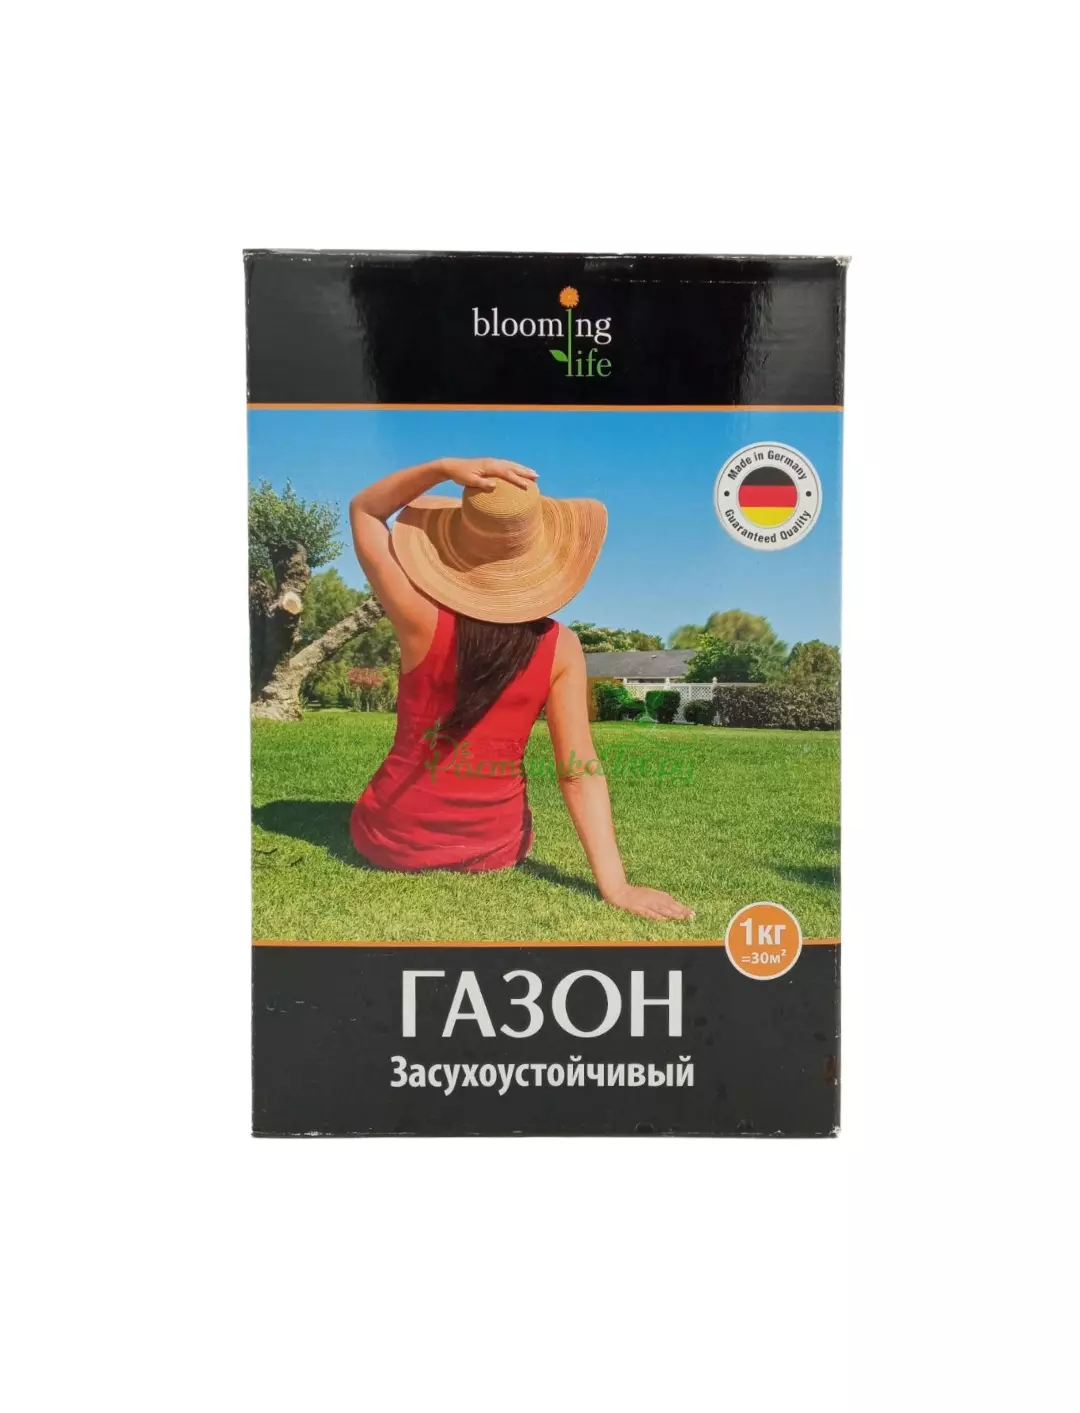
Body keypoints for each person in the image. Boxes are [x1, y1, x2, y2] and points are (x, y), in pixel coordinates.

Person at [348, 456, 693, 922]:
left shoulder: (417, 616)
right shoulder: (561, 647)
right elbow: (578, 772)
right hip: (494, 846)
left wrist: (445, 468)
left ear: (456, 546)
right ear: (538, 554)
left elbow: (366, 510)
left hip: (392, 840)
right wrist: (617, 886)